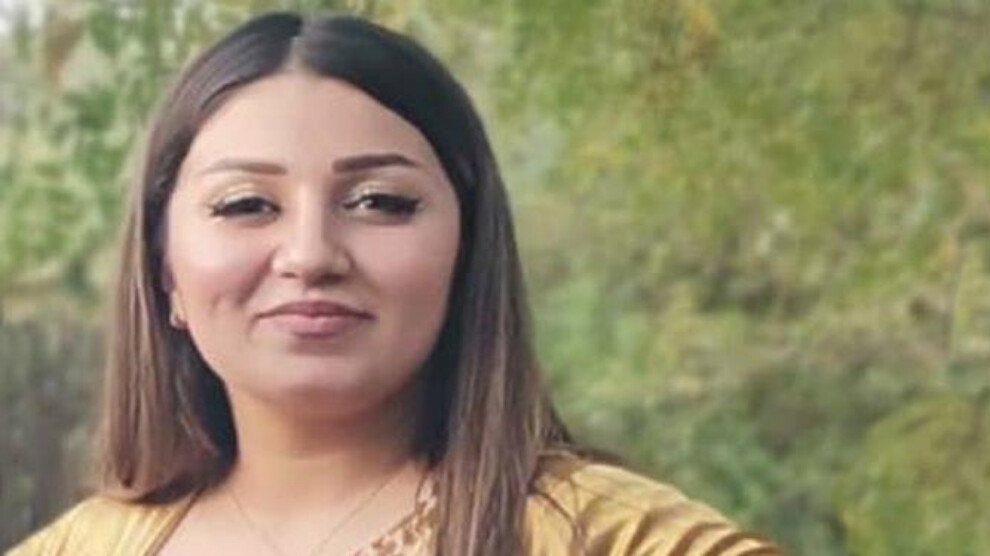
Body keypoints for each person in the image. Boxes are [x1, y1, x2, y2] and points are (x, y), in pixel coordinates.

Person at [7, 11, 784, 556]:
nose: (310, 255)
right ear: (164, 271)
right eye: (246, 205)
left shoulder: (622, 540)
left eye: (379, 202)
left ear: (467, 252)